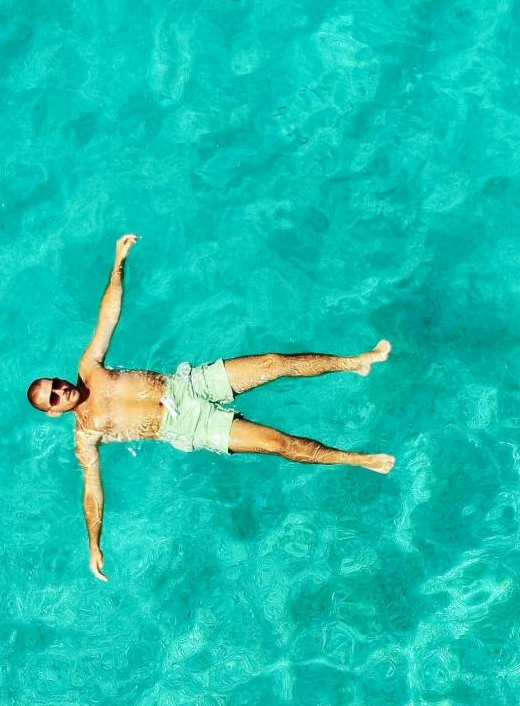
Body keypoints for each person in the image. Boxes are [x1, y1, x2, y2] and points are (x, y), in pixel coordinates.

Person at [27, 234, 394, 580]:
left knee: (273, 362)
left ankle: (356, 361)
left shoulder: (89, 368)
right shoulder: (86, 435)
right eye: (54, 397)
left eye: (56, 384)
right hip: (188, 425)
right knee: (278, 443)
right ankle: (359, 460)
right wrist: (94, 541)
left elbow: (108, 317)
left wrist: (119, 261)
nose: (61, 391)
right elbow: (92, 491)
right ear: (53, 412)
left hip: (186, 384)